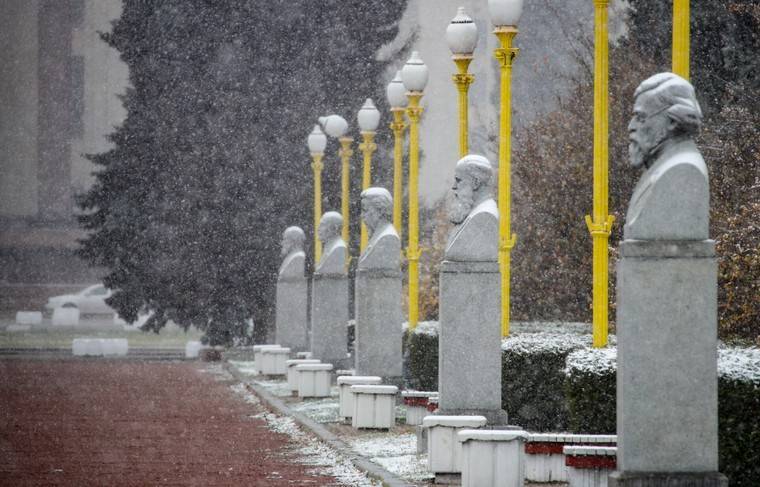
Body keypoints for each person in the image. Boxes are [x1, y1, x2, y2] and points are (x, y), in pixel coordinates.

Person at [625, 72, 708, 240]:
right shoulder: (660, 169)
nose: (631, 126)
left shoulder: (684, 171)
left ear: (672, 122)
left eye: (640, 117)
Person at [445, 154, 499, 261]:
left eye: (458, 180)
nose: (454, 186)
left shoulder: (484, 216)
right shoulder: (471, 214)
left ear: (475, 183)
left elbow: (456, 252)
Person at [358, 187, 400, 270]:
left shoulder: (388, 237)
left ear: (381, 210)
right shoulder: (378, 236)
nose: (362, 215)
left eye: (365, 210)